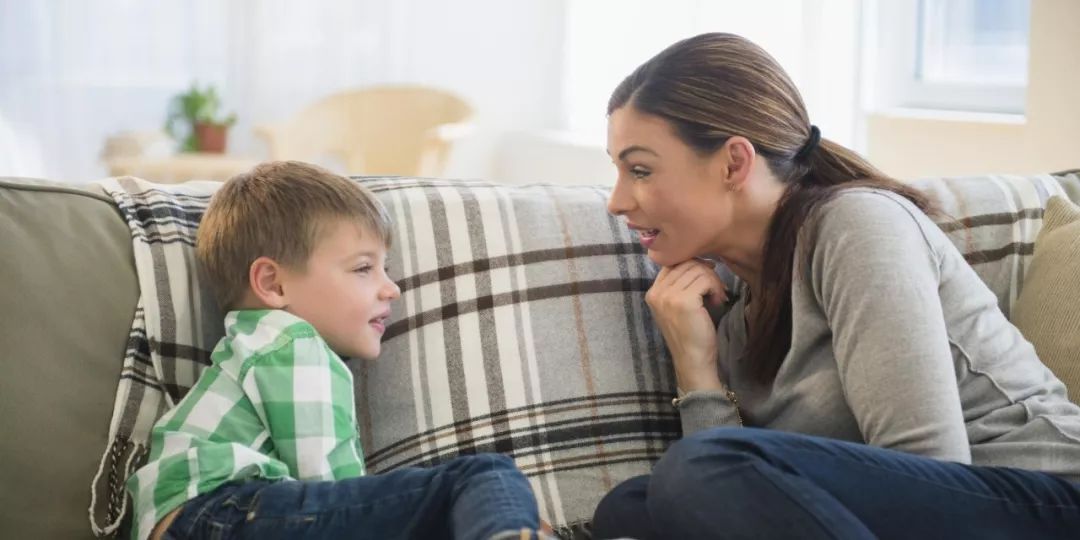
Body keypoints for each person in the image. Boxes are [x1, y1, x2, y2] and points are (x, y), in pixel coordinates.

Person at [593, 33, 1080, 539]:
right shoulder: (728, 303)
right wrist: (697, 369)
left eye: (640, 170)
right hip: (912, 514)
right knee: (630, 506)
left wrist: (707, 470)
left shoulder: (857, 225)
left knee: (697, 470)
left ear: (734, 163)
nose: (617, 201)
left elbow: (927, 469)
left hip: (1045, 501)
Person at [126, 161, 549, 540]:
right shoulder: (291, 343)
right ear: (273, 284)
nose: (391, 288)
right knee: (485, 476)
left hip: (199, 518)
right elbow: (332, 484)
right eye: (364, 268)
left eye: (385, 268)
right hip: (216, 512)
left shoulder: (251, 345)